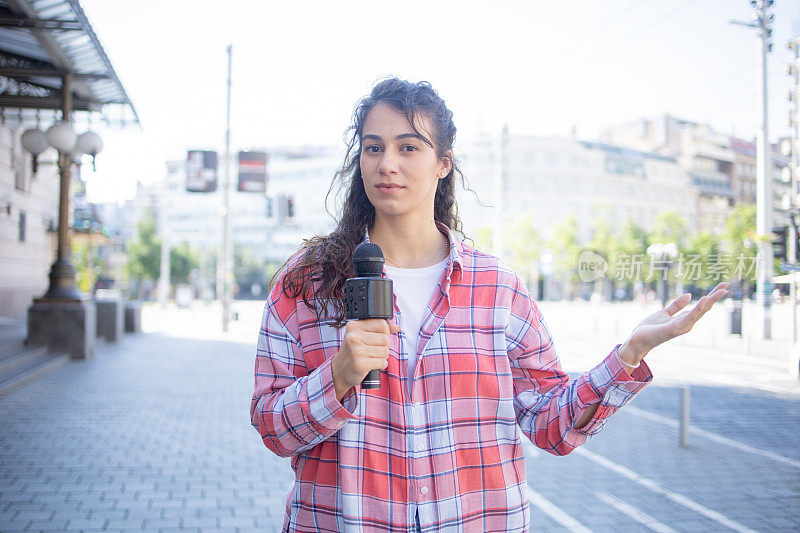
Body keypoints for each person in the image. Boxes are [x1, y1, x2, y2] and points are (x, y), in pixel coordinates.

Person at [249, 78, 729, 532]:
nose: (387, 164)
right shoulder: (307, 282)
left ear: (443, 162)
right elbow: (271, 427)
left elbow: (550, 426)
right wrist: (339, 377)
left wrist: (629, 355)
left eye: (408, 147)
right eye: (373, 147)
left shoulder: (497, 288)